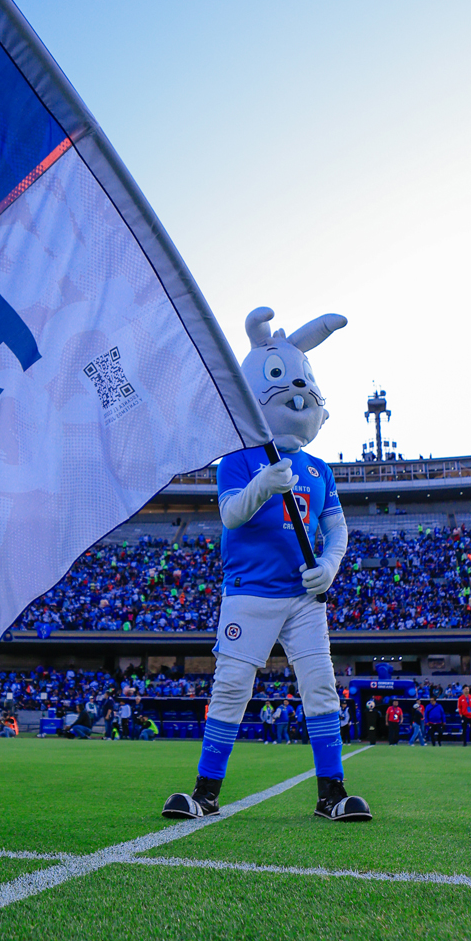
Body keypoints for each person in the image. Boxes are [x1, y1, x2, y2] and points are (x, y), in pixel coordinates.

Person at [162, 307, 371, 823]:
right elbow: (231, 515)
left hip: (303, 596)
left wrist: (330, 565)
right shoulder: (237, 460)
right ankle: (206, 791)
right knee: (232, 687)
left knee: (319, 686)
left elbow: (337, 528)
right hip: (250, 590)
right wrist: (263, 485)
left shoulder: (318, 469)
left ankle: (332, 793)